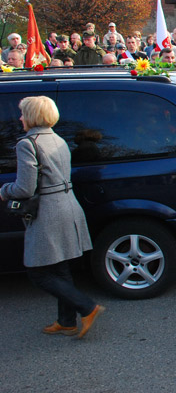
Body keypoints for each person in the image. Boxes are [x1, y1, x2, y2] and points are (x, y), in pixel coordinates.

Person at [0, 96, 104, 338]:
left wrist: (4, 192)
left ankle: (87, 308)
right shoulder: (57, 139)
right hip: (68, 205)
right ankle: (66, 321)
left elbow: (24, 188)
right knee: (59, 267)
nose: (20, 118)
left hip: (48, 211)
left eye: (23, 114)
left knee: (38, 272)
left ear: (33, 116)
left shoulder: (28, 143)